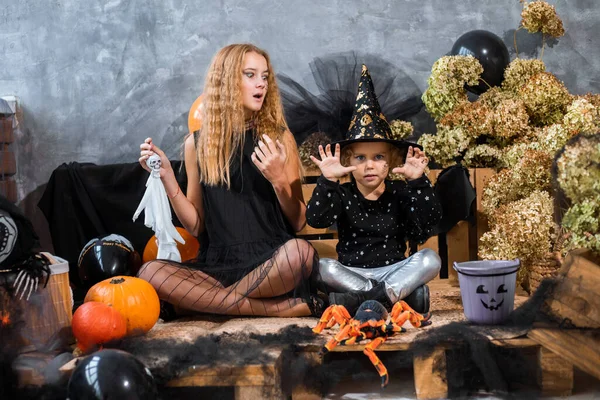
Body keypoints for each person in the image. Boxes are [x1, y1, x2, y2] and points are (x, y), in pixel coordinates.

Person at [137, 44, 322, 318]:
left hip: (272, 264)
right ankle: (273, 310)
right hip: (218, 266)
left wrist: (279, 180)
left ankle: (213, 304)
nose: (261, 84)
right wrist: (166, 177)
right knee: (150, 272)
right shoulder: (197, 145)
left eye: (265, 76)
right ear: (225, 82)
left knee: (301, 254)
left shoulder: (280, 138)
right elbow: (197, 226)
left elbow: (298, 222)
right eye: (250, 75)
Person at [306, 65, 442, 316]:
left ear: (390, 161)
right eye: (360, 158)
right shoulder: (344, 194)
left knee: (431, 258)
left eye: (378, 156)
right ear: (347, 161)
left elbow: (428, 222)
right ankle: (390, 296)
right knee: (323, 267)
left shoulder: (400, 191)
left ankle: (360, 300)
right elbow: (316, 219)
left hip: (395, 268)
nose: (369, 165)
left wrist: (418, 182)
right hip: (353, 273)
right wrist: (327, 181)